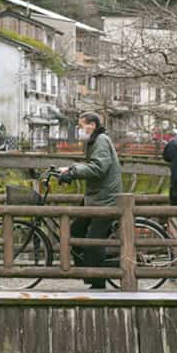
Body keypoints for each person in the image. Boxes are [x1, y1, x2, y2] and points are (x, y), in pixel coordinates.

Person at [58, 112, 122, 289]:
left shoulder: (100, 140)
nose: (79, 130)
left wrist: (73, 170)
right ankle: (87, 272)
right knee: (75, 231)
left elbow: (99, 167)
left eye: (81, 126)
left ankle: (98, 280)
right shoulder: (94, 141)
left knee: (94, 241)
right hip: (95, 197)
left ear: (92, 125)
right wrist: (71, 170)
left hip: (105, 199)